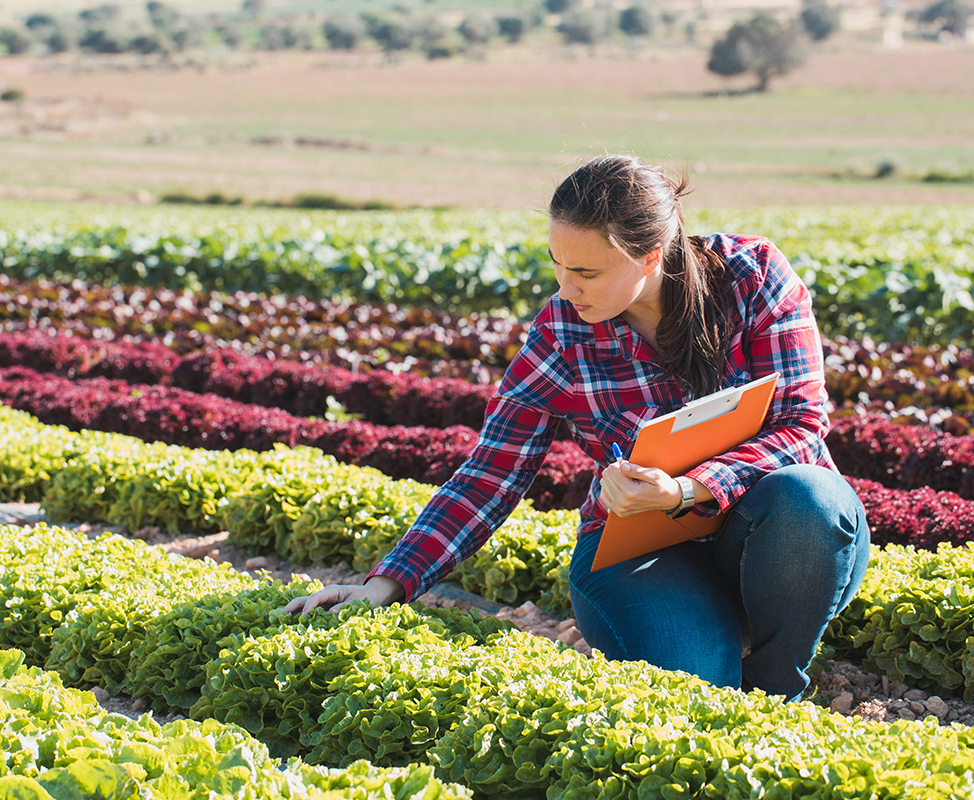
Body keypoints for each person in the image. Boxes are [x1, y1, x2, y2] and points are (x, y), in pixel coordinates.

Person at [284, 154, 870, 702]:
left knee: (810, 495)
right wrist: (386, 583)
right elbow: (490, 473)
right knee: (699, 690)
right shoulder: (562, 334)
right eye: (558, 266)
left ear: (651, 255)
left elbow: (800, 424)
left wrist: (689, 488)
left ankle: (776, 687)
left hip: (778, 532)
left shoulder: (752, 278)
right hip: (641, 551)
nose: (566, 289)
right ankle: (707, 637)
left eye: (586, 271)